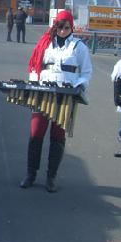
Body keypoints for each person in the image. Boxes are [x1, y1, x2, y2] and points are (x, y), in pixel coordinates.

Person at [20, 10, 92, 192]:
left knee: (57, 137)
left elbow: (86, 72)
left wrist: (79, 86)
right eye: (59, 26)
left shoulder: (79, 47)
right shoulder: (45, 43)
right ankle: (31, 173)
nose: (62, 30)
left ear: (71, 27)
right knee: (36, 133)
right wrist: (34, 83)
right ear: (55, 26)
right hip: (43, 93)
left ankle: (51, 176)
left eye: (66, 27)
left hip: (65, 95)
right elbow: (34, 65)